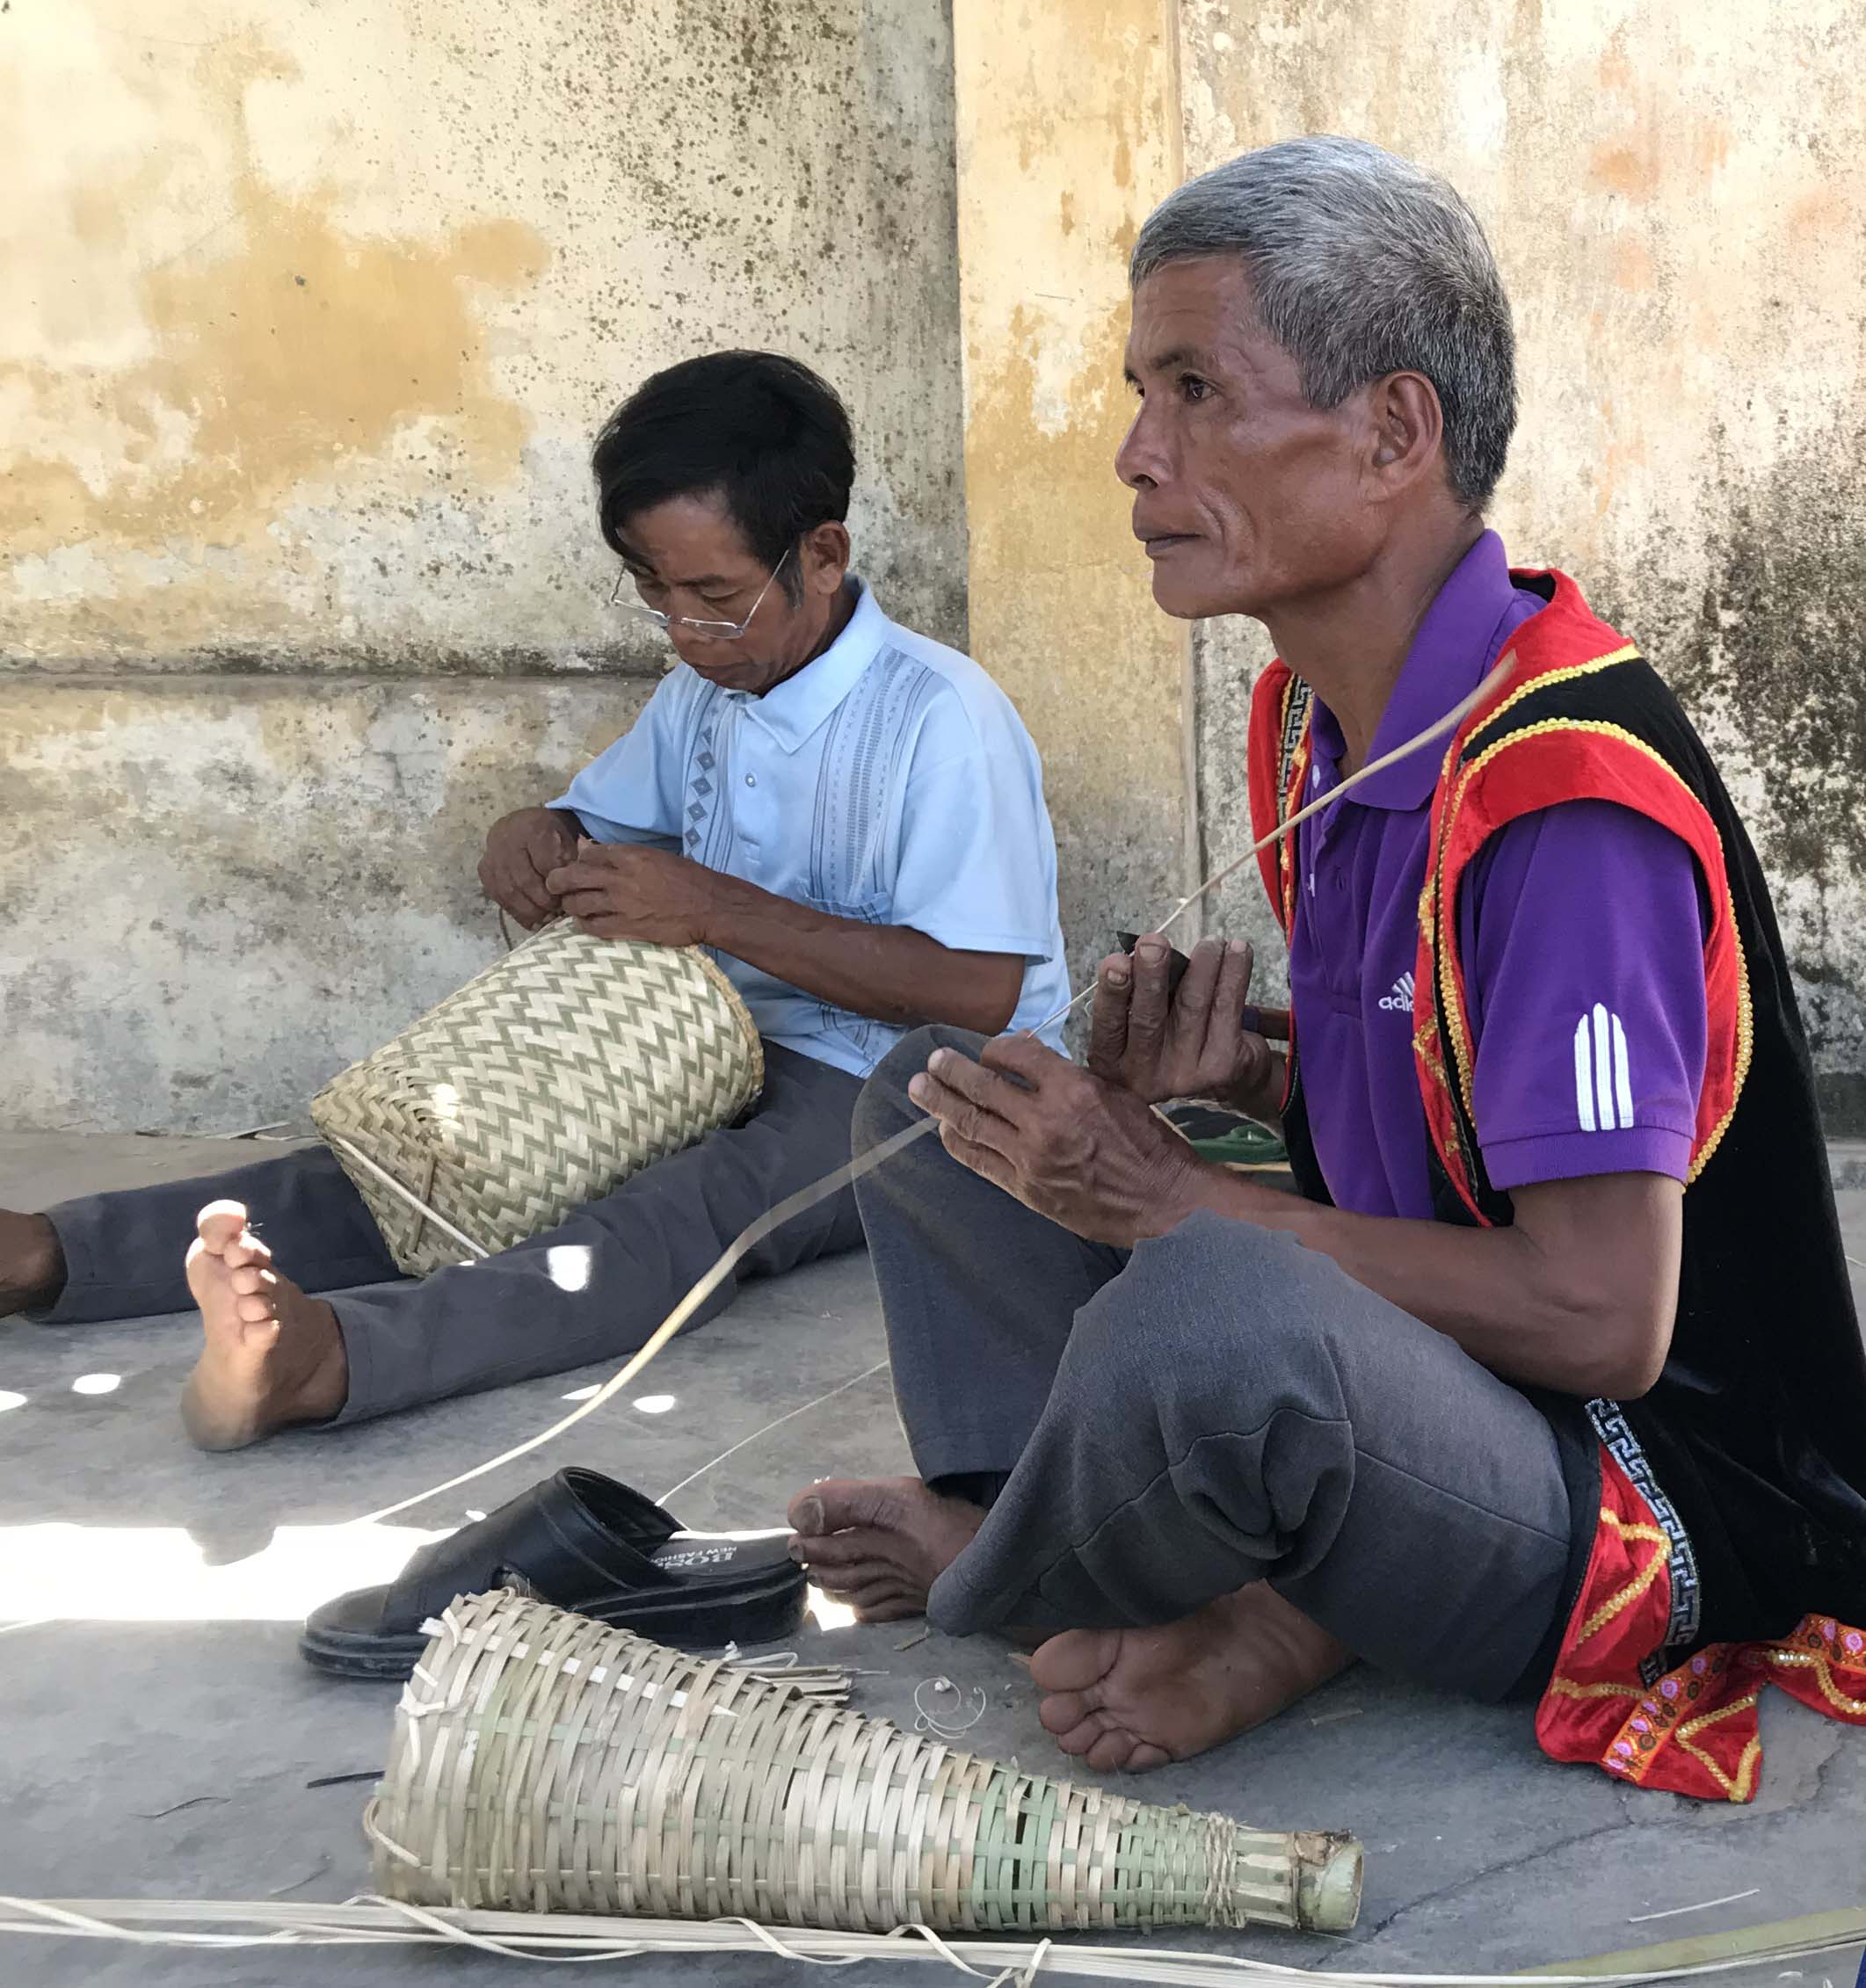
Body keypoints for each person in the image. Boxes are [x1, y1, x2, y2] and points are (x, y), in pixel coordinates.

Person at [787, 140, 1866, 1802]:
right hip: (1445, 1380)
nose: (1137, 453)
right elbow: (1449, 1105)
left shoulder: (1563, 799)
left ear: (1391, 432)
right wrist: (1244, 1084)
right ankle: (1183, 1572)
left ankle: (1027, 1575)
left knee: (1216, 1304)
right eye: (1142, 390)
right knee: (941, 1107)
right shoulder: (1312, 721)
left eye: (1199, 389)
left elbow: (1599, 1317)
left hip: (1644, 1486)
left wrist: (1171, 1200)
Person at [0, 351, 1069, 1451]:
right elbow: (596, 823)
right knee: (434, 1153)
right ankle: (50, 1254)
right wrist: (536, 836)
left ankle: (330, 1360)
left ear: (824, 554)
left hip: (910, 1088)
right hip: (703, 1041)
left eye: (713, 595)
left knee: (677, 1215)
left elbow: (980, 992)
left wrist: (713, 909)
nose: (684, 631)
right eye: (655, 593)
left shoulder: (944, 718)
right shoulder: (702, 692)